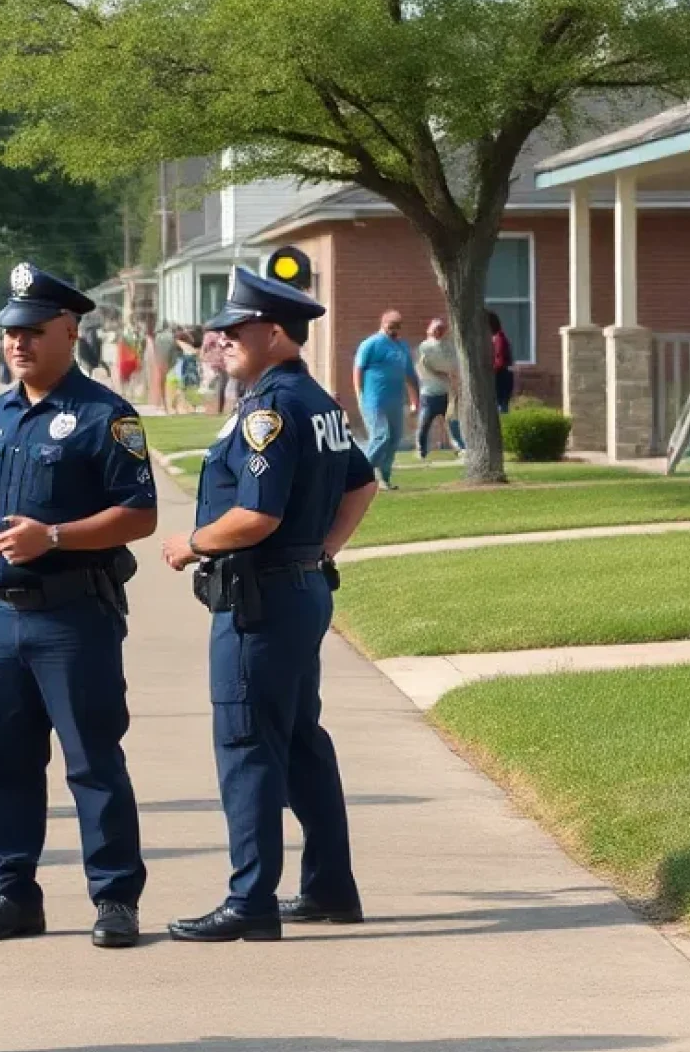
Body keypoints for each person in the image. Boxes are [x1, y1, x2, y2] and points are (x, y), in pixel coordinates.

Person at [162, 269, 378, 941]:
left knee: (248, 745)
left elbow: (255, 516)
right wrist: (319, 551)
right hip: (298, 590)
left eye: (234, 329)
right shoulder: (315, 402)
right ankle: (329, 888)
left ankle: (250, 901)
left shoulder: (269, 410)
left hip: (259, 601)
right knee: (298, 742)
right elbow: (362, 487)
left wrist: (191, 542)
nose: (221, 338)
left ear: (275, 333)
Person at [0, 263, 156, 949]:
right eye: (11, 332)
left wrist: (56, 536)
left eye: (33, 332)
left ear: (70, 331)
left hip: (72, 617)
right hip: (0, 617)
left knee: (91, 760)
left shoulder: (106, 415)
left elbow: (140, 513)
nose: (18, 344)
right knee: (5, 760)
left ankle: (115, 898)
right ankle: (12, 894)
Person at [352, 310, 418, 489]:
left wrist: (414, 401)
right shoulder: (371, 344)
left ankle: (384, 478)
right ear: (383, 324)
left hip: (395, 401)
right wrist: (359, 393)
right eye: (391, 326)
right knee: (381, 436)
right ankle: (357, 475)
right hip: (374, 399)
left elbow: (410, 376)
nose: (394, 330)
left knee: (394, 439)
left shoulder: (402, 347)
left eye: (397, 327)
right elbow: (358, 369)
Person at [415, 319, 465, 458]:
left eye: (441, 329)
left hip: (447, 392)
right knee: (425, 423)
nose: (439, 332)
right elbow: (422, 367)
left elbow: (453, 365)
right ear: (429, 330)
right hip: (429, 392)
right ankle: (421, 450)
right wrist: (441, 374)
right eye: (436, 329)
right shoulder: (424, 347)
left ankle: (459, 447)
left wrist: (451, 377)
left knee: (452, 422)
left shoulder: (448, 347)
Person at [489, 311, 516, 413]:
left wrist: (490, 371)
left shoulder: (499, 339)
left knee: (501, 405)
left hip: (502, 376)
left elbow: (500, 360)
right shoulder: (495, 338)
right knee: (500, 404)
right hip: (500, 375)